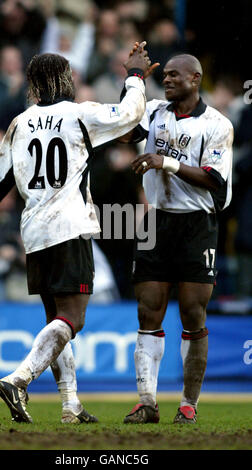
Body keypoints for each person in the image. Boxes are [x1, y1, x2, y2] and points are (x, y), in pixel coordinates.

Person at [0, 45, 157, 424]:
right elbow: (131, 116)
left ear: (33, 85)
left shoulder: (20, 123)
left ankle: (70, 403)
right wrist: (135, 77)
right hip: (70, 226)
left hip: (35, 233)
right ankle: (17, 379)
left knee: (55, 318)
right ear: (63, 79)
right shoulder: (79, 114)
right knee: (74, 318)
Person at [120, 50, 233, 424]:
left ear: (195, 78)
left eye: (173, 75)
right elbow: (124, 131)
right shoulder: (153, 111)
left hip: (196, 224)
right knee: (148, 310)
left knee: (192, 314)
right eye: (163, 75)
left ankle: (188, 404)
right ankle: (146, 401)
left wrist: (164, 161)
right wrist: (134, 77)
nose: (166, 80)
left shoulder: (217, 124)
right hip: (156, 220)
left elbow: (213, 179)